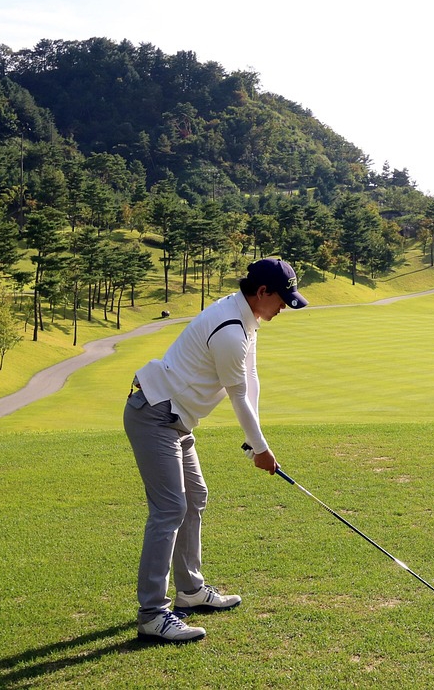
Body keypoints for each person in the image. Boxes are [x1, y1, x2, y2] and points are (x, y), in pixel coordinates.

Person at [124, 257, 308, 643]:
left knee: (195, 497)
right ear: (262, 293)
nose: (282, 308)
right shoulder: (230, 330)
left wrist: (259, 439)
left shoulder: (246, 320)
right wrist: (260, 449)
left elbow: (250, 379)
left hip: (176, 419)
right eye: (281, 300)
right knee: (170, 508)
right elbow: (238, 396)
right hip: (155, 414)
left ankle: (190, 590)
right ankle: (153, 614)